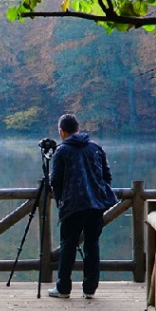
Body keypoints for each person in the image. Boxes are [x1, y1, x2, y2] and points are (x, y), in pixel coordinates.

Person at [47, 113, 116, 299]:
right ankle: (90, 289)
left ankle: (63, 288)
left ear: (62, 132)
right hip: (96, 205)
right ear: (78, 128)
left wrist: (61, 200)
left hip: (74, 205)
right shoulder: (95, 147)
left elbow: (56, 181)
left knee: (68, 246)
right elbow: (107, 176)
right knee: (92, 245)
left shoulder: (62, 151)